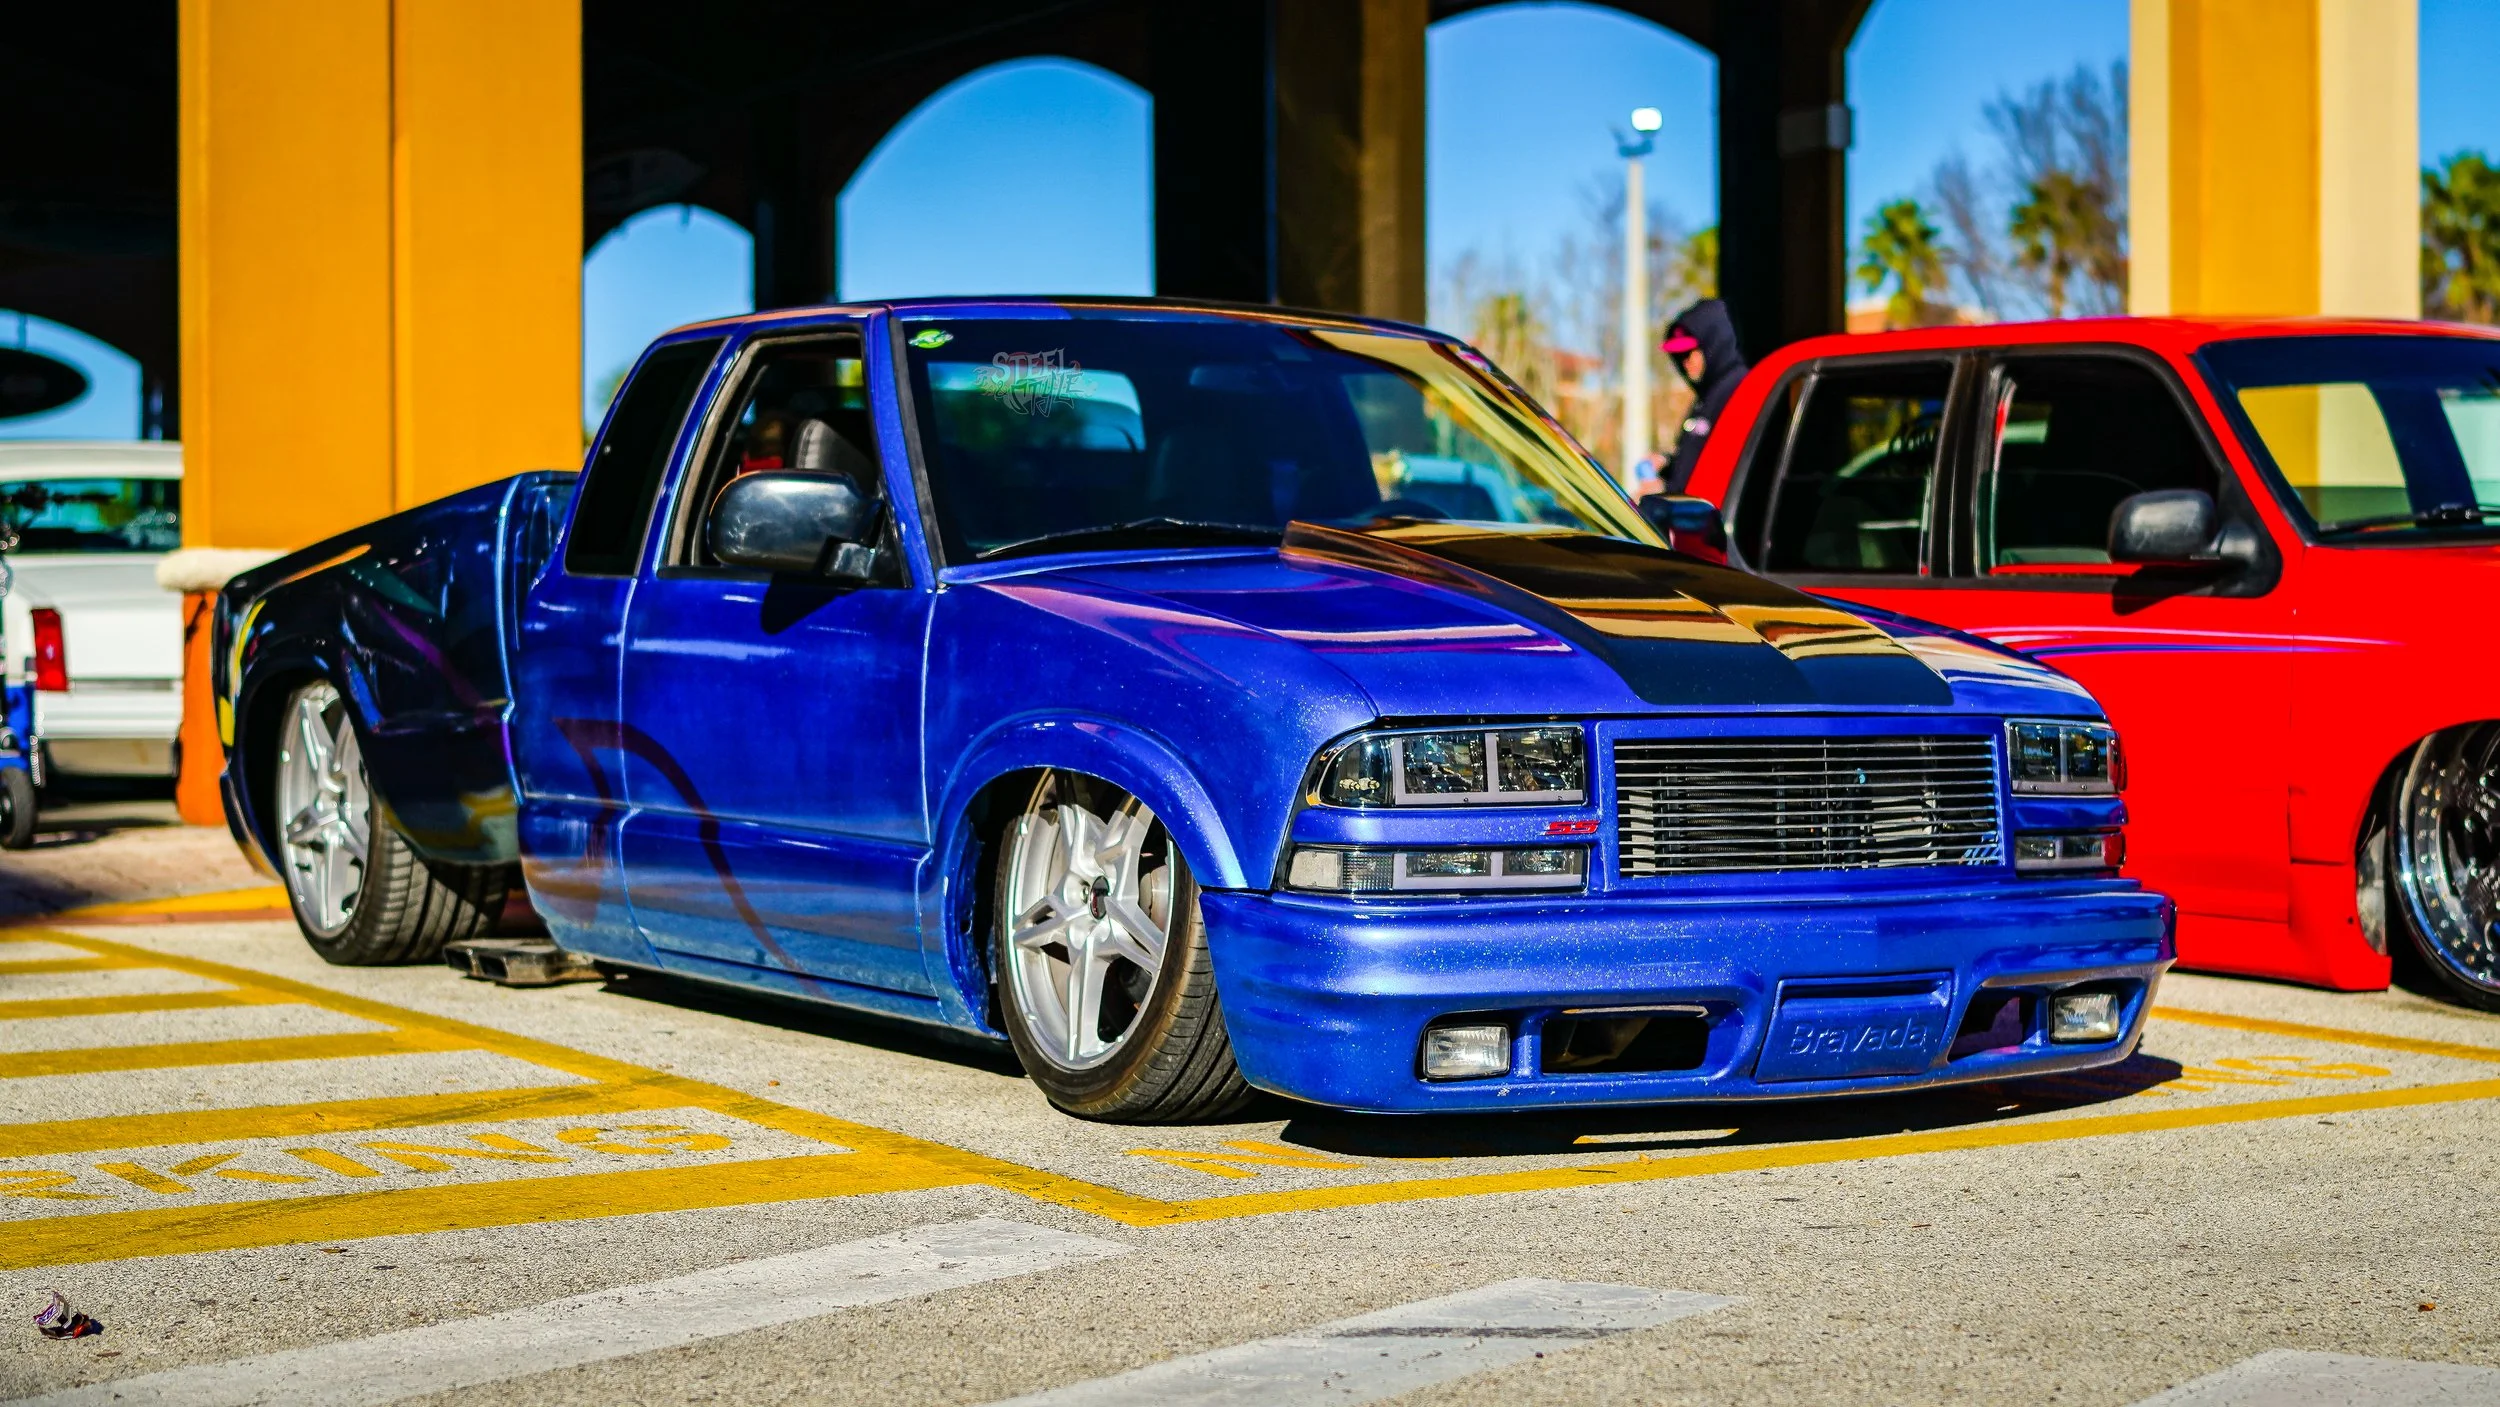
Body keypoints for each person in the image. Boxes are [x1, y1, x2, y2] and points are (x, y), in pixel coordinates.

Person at [1655, 299, 1748, 496]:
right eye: (1679, 356)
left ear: (1713, 344)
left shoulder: (1738, 392)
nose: (1685, 361)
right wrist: (1668, 464)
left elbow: (1726, 469)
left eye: (1690, 352)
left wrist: (1666, 491)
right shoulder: (1707, 396)